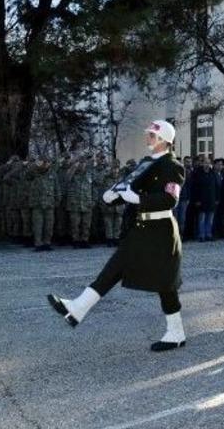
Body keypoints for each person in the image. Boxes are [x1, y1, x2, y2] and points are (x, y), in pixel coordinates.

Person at [47, 120, 187, 352]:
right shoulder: (146, 163)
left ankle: (176, 332)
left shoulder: (173, 166)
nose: (147, 138)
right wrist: (114, 195)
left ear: (164, 140)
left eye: (152, 135)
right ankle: (78, 307)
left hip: (161, 231)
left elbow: (170, 199)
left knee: (165, 284)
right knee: (115, 267)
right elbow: (129, 186)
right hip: (140, 228)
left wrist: (137, 199)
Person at [27, 157, 61, 251]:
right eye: (44, 162)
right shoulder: (35, 172)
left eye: (47, 162)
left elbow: (57, 188)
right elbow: (28, 175)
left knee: (49, 225)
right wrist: (36, 165)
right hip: (37, 203)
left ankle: (47, 243)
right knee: (38, 225)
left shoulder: (52, 174)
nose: (46, 164)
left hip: (49, 203)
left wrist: (58, 200)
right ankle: (38, 244)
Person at [66, 153, 94, 249]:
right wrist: (74, 167)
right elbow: (67, 178)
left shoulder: (89, 173)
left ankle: (85, 240)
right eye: (80, 163)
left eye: (83, 163)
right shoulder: (72, 173)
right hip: (75, 203)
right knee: (75, 224)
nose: (82, 165)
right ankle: (76, 241)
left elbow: (93, 188)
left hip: (87, 202)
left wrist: (93, 200)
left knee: (86, 224)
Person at [191, 157, 219, 242]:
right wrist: (196, 200)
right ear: (202, 163)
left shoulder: (213, 173)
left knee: (210, 219)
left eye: (208, 163)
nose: (207, 164)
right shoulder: (197, 174)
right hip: (201, 200)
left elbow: (217, 187)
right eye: (205, 163)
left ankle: (208, 234)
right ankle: (201, 235)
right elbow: (194, 188)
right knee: (201, 219)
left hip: (211, 199)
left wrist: (217, 199)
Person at [101, 161, 125, 246]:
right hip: (109, 204)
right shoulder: (105, 178)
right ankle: (109, 239)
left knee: (118, 222)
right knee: (108, 223)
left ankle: (116, 239)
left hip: (119, 204)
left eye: (116, 168)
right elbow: (102, 191)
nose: (115, 170)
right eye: (113, 168)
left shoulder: (122, 179)